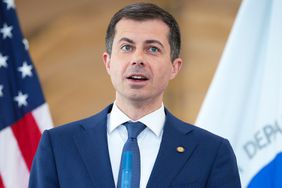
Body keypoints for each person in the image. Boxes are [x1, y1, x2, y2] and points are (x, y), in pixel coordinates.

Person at [29, 3, 241, 188]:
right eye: (127, 47)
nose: (138, 59)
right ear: (108, 62)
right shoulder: (58, 146)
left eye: (153, 49)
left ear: (174, 67)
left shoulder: (211, 152)